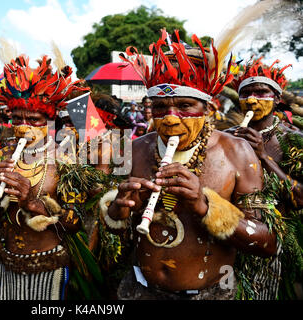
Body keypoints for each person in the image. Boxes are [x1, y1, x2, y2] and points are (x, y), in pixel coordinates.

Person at [101, 30, 281, 300]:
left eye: (185, 106)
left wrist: (206, 206)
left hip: (210, 293)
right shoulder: (135, 148)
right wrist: (119, 210)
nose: (170, 119)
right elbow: (111, 231)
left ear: (207, 110)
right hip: (139, 290)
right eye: (160, 107)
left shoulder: (237, 152)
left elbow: (268, 243)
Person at [0, 53, 102, 300]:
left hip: (48, 267)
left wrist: (33, 204)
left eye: (33, 119)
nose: (23, 126)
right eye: (17, 119)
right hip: (5, 263)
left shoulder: (65, 160)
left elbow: (74, 223)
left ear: (49, 122)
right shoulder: (1, 155)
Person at [226, 57, 303, 299]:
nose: (251, 99)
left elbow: (300, 198)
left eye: (261, 92)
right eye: (246, 93)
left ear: (277, 99)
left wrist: (263, 157)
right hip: (232, 241)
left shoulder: (293, 140)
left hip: (280, 248)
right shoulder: (224, 138)